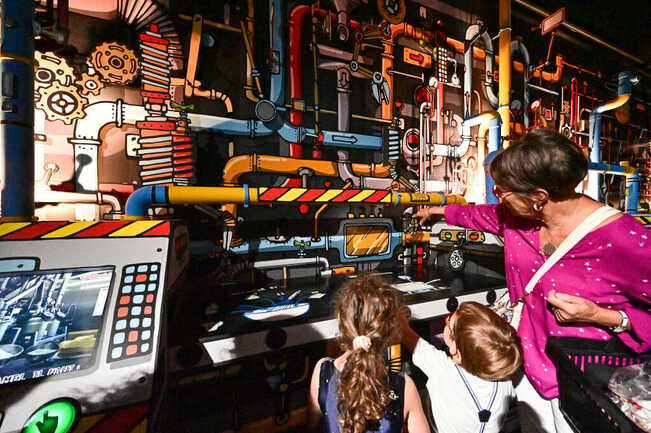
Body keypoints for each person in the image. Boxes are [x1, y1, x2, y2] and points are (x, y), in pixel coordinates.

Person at [413, 128, 651, 433]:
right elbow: (481, 215)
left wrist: (605, 317)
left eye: (501, 191)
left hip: (585, 383)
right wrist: (437, 211)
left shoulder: (625, 240)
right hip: (528, 373)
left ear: (539, 197)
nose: (498, 198)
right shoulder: (518, 219)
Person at [307, 276, 430, 433]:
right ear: (390, 330)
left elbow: (312, 427)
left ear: (341, 320)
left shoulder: (322, 371)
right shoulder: (405, 387)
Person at [402, 301, 522, 433]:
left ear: (456, 351)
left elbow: (409, 337)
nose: (446, 321)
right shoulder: (505, 378)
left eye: (449, 322)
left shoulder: (442, 370)